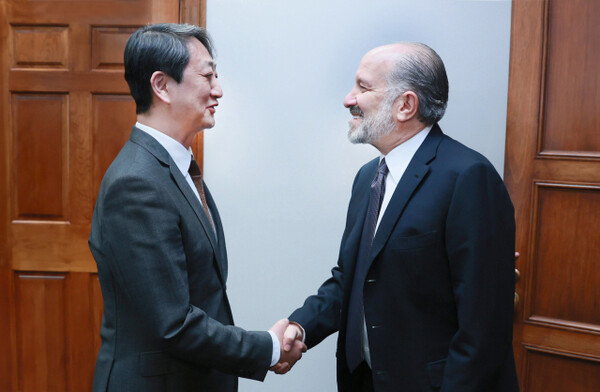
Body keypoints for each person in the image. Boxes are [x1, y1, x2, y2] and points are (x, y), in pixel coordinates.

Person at [282, 43, 519, 391]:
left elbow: (483, 330)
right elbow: (352, 277)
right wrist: (300, 327)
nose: (349, 99)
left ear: (406, 105)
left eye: (363, 88)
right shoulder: (367, 178)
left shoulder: (469, 177)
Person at [88, 23, 305, 392]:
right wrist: (267, 347)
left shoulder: (176, 166)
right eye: (207, 76)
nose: (218, 89)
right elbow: (173, 323)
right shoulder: (136, 183)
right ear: (161, 86)